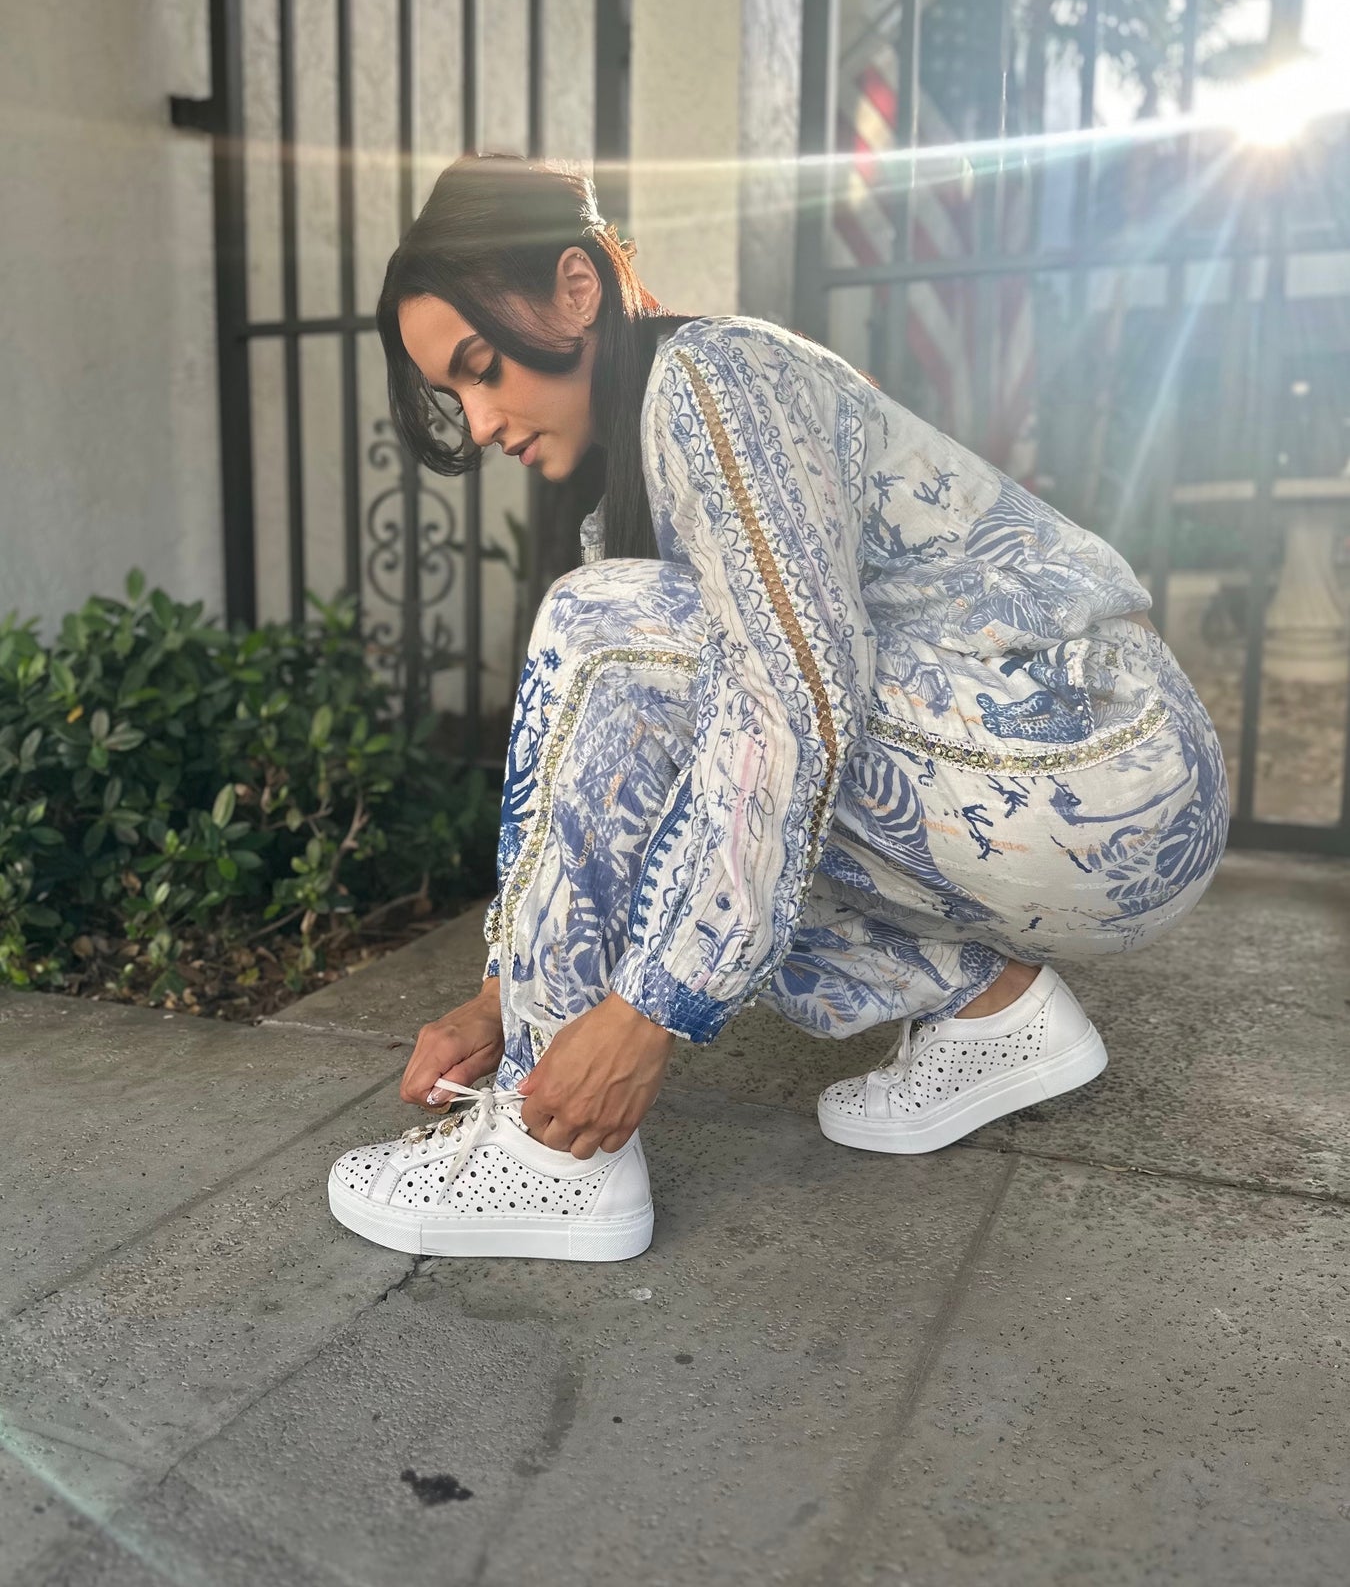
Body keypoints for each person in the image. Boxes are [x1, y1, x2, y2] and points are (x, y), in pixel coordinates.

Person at [327, 153, 1228, 1262]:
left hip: (1107, 756)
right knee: (701, 800)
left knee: (617, 648)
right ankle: (991, 1010)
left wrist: (650, 1012)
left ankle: (551, 1155)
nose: (478, 421)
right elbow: (660, 797)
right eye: (454, 395)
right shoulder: (638, 483)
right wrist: (505, 992)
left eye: (481, 367)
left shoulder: (710, 378)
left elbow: (794, 701)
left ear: (575, 287)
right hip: (1066, 797)